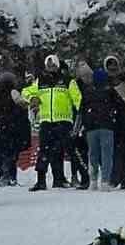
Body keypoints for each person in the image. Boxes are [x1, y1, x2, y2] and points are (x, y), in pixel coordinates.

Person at [22, 56, 81, 190]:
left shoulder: (67, 81)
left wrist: (81, 114)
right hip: (46, 121)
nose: (51, 67)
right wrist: (33, 97)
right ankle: (41, 180)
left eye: (53, 64)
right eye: (48, 65)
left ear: (58, 65)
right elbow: (26, 91)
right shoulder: (41, 81)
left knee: (66, 150)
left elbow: (78, 99)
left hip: (64, 120)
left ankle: (66, 178)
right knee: (44, 151)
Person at [79, 67, 125, 187]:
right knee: (107, 155)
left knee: (93, 154)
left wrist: (84, 124)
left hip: (91, 127)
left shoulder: (87, 91)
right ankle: (105, 180)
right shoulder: (110, 91)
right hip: (107, 126)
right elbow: (122, 107)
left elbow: (81, 110)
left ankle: (93, 180)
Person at [0, 75, 31, 186]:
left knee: (6, 154)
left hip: (4, 127)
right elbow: (22, 108)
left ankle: (4, 177)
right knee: (12, 155)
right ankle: (10, 178)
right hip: (15, 127)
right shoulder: (15, 93)